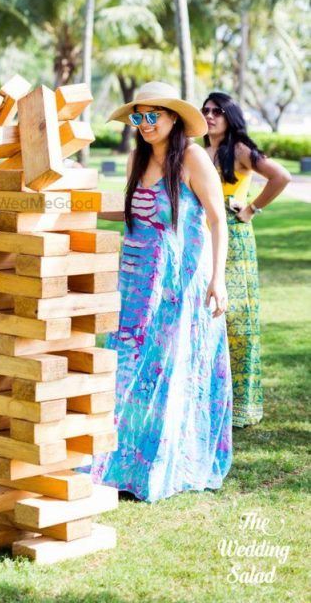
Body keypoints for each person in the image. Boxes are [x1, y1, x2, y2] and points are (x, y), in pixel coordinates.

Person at [86, 81, 233, 503]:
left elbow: (217, 219)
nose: (145, 124)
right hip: (134, 280)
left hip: (178, 283)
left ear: (173, 119)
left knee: (168, 368)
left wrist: (217, 278)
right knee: (126, 365)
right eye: (139, 117)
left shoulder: (191, 157)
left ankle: (162, 462)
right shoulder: (136, 158)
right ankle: (118, 462)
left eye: (153, 116)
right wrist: (74, 203)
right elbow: (131, 209)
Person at [202, 92, 290, 427]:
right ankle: (210, 397)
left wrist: (252, 208)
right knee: (206, 316)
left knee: (236, 319)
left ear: (230, 116)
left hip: (235, 242)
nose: (210, 116)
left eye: (217, 111)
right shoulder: (199, 150)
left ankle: (241, 406)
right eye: (206, 110)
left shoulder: (238, 149)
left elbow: (280, 176)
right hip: (202, 239)